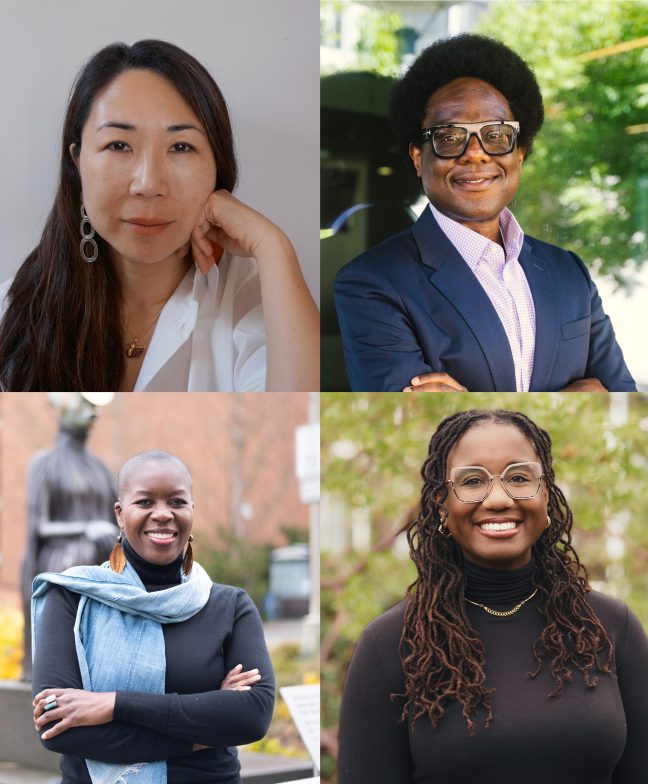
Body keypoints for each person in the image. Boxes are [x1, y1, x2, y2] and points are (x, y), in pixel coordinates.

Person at [338, 409, 648, 784]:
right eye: (472, 481)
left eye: (519, 477)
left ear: (546, 494)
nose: (499, 499)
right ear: (441, 503)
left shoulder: (613, 627)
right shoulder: (390, 644)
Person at [0, 39, 319, 392]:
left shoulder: (259, 301)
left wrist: (273, 246)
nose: (148, 184)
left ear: (218, 166)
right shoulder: (11, 311)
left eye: (181, 147)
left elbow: (294, 435)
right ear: (76, 160)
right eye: (118, 145)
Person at [334, 34, 636, 393]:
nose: (475, 154)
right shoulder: (372, 283)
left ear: (519, 151)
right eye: (449, 136)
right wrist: (574, 403)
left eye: (495, 134)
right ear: (418, 157)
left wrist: (470, 408)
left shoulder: (569, 273)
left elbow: (623, 411)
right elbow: (417, 434)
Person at [31, 450, 274, 784]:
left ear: (192, 511)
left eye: (176, 501)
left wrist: (114, 705)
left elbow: (253, 716)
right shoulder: (73, 597)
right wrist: (202, 733)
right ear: (119, 513)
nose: (163, 514)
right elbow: (56, 728)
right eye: (145, 502)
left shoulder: (230, 606)